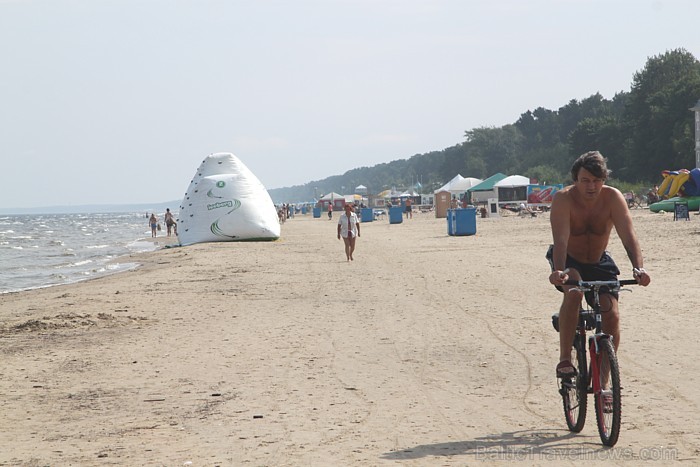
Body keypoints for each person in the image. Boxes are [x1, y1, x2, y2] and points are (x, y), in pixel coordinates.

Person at [547, 151, 650, 379]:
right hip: (569, 260)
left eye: (596, 181)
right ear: (576, 180)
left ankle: (604, 380)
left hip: (599, 260)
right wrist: (558, 271)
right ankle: (565, 358)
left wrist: (638, 268)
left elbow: (629, 237)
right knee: (573, 293)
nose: (591, 186)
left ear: (604, 180)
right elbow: (561, 242)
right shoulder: (564, 200)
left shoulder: (613, 198)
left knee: (611, 314)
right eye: (585, 181)